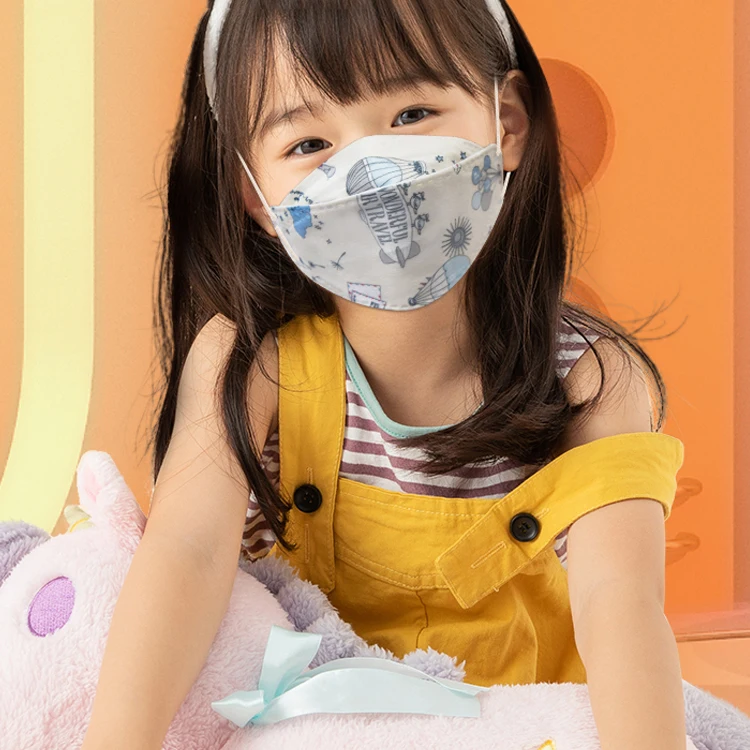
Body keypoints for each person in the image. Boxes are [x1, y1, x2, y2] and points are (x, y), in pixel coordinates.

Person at [80, 1, 697, 748]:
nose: (371, 172)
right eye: (310, 143)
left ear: (506, 123)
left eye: (411, 114)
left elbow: (621, 605)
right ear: (257, 198)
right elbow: (186, 554)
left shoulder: (592, 378)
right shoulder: (250, 361)